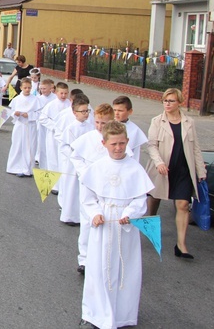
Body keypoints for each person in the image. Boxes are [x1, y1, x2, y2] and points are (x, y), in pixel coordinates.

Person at [79, 121, 154, 329]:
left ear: (127, 141)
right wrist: (94, 213)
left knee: (124, 269)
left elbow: (140, 199)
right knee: (99, 268)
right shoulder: (97, 167)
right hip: (103, 224)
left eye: (122, 143)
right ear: (104, 143)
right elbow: (87, 197)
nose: (118, 148)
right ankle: (96, 314)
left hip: (124, 226)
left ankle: (122, 315)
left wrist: (130, 213)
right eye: (114, 144)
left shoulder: (134, 168)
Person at [146, 88, 207, 259]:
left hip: (183, 169)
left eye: (171, 101)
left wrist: (200, 170)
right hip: (163, 168)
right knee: (155, 199)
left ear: (179, 102)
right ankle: (150, 225)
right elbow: (151, 145)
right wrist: (159, 163)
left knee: (182, 205)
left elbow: (195, 147)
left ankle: (181, 245)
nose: (167, 104)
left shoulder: (189, 122)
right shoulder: (157, 121)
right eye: (165, 100)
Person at [69, 103, 116, 275]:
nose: (99, 126)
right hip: (89, 184)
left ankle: (102, 258)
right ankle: (84, 258)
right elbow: (76, 157)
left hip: (107, 187)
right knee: (87, 221)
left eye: (104, 123)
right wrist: (84, 173)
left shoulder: (114, 139)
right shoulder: (88, 138)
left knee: (104, 220)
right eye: (97, 122)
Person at [55, 94, 93, 225]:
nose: (86, 114)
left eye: (87, 111)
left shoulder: (91, 127)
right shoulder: (70, 128)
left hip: (86, 162)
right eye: (82, 111)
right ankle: (70, 215)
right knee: (71, 188)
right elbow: (63, 146)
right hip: (72, 164)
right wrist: (74, 154)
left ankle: (82, 215)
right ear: (74, 112)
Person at [5, 77, 38, 177]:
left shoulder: (35, 99)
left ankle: (27, 168)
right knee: (18, 145)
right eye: (25, 88)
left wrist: (30, 115)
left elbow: (39, 113)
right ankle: (15, 167)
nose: (27, 90)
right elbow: (11, 112)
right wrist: (16, 113)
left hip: (30, 126)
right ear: (21, 88)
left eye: (29, 87)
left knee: (30, 146)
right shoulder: (17, 99)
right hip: (20, 125)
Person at [112, 96, 147, 164]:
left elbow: (135, 155)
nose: (116, 113)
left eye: (120, 110)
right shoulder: (108, 125)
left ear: (130, 111)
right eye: (114, 110)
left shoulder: (135, 130)